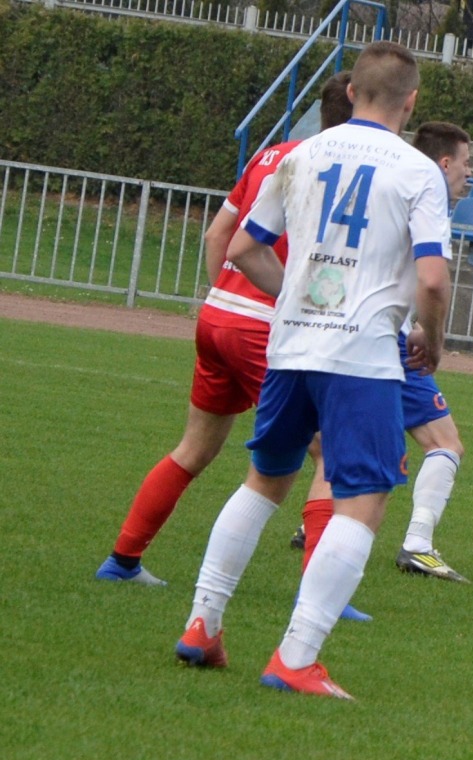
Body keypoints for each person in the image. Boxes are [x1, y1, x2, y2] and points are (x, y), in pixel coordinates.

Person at [172, 43, 453, 700]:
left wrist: (301, 294)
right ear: (410, 102)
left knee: (263, 482)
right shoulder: (416, 170)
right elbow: (433, 279)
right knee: (364, 498)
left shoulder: (298, 154)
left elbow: (244, 249)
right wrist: (430, 341)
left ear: (351, 91)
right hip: (362, 357)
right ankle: (297, 656)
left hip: (291, 345)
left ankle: (202, 625)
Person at [94, 72, 355, 586]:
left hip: (219, 314)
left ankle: (122, 561)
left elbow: (218, 234)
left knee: (195, 448)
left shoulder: (269, 155)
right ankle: (323, 594)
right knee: (330, 448)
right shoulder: (336, 166)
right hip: (262, 324)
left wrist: (225, 299)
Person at [291, 120, 473, 587]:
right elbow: (430, 279)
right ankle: (417, 544)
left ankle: (319, 522)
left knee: (328, 438)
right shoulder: (423, 193)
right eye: (467, 164)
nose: (470, 175)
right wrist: (428, 334)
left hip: (329, 327)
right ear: (445, 163)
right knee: (443, 443)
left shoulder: (383, 183)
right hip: (383, 338)